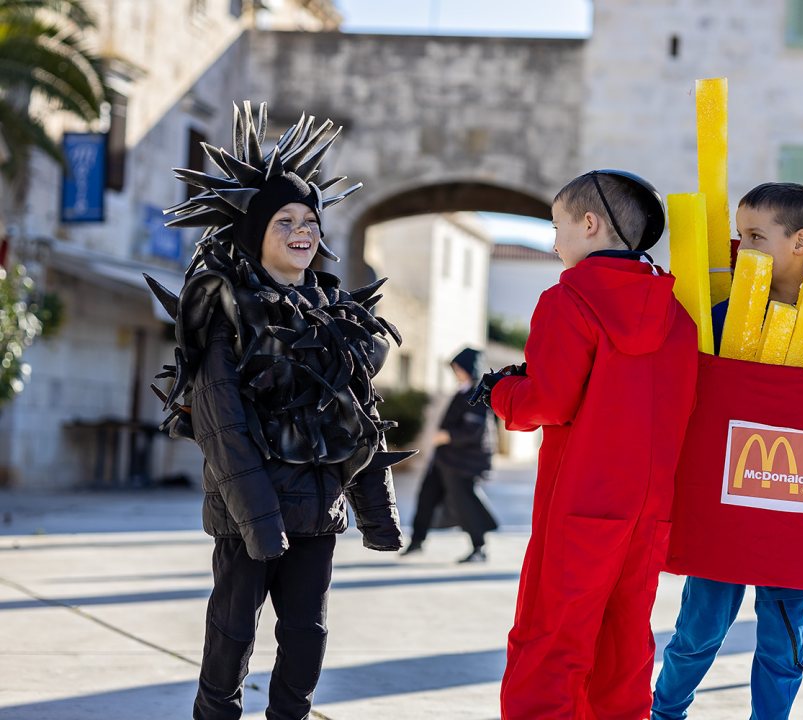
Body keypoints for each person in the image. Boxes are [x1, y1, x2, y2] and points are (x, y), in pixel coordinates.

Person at [144, 102, 412, 720]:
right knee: (231, 639)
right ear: (253, 233)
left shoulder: (334, 310)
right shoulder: (225, 314)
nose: (303, 229)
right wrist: (260, 521)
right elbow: (222, 425)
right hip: (247, 514)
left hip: (319, 511)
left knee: (306, 641)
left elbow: (360, 420)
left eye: (310, 218)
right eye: (285, 219)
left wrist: (378, 512)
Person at [470, 170, 699, 719]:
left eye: (558, 226)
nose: (554, 242)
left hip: (579, 503)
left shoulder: (567, 300)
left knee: (551, 640)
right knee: (624, 646)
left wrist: (501, 390)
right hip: (649, 511)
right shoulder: (678, 315)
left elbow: (547, 403)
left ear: (590, 224)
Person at [652, 182, 803, 720]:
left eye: (755, 237)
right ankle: (664, 713)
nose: (742, 248)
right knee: (698, 628)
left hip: (796, 500)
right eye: (739, 235)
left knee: (783, 637)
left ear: (800, 242)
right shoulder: (717, 317)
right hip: (725, 499)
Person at [403, 347, 498, 563]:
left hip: (463, 462)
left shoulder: (477, 392)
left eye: (459, 367)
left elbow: (474, 430)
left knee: (465, 503)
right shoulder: (463, 390)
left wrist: (447, 435)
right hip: (445, 459)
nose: (455, 371)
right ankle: (417, 541)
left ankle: (479, 548)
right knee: (426, 497)